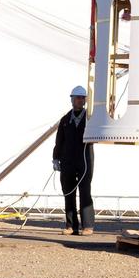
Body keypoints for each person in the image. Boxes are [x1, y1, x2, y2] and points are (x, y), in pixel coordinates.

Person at [53, 85, 94, 236]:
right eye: (78, 97)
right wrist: (56, 158)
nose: (80, 100)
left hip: (84, 159)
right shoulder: (65, 120)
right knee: (68, 192)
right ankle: (71, 226)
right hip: (67, 160)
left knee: (85, 191)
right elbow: (59, 140)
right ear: (72, 99)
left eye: (83, 98)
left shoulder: (90, 119)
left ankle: (87, 226)